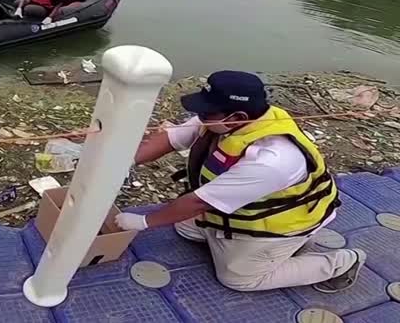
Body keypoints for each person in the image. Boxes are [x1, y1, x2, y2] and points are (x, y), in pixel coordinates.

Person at [113, 71, 362, 293]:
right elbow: (171, 139)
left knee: (237, 279)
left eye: (207, 112)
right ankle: (257, 248)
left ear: (238, 116)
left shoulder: (272, 159)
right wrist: (126, 162)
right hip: (235, 211)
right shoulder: (223, 121)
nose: (200, 116)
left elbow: (199, 202)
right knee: (184, 228)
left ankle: (340, 263)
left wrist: (145, 221)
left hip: (278, 225)